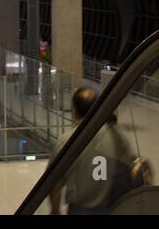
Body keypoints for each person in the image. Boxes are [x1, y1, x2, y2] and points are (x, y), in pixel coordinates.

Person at [47, 87, 138, 215]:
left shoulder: (67, 141)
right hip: (113, 207)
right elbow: (130, 166)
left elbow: (54, 184)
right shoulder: (116, 136)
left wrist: (55, 211)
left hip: (79, 210)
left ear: (75, 112)